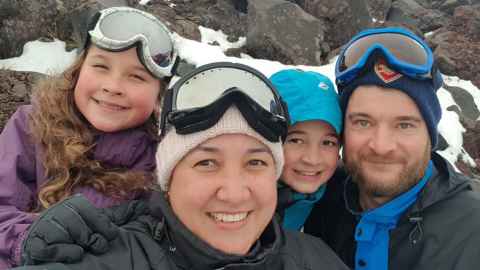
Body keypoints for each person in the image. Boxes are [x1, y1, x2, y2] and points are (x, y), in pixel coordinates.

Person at [14, 62, 349, 270]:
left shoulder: (314, 257)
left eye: (256, 162)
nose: (233, 193)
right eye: (206, 162)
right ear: (168, 178)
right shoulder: (108, 256)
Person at [0, 6, 178, 268]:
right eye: (100, 66)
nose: (112, 86)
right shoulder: (31, 125)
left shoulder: (167, 159)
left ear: (158, 98)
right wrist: (25, 239)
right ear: (78, 70)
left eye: (136, 77)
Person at [304, 27, 480, 270]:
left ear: (430, 134)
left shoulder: (472, 232)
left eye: (404, 125)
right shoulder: (317, 198)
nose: (382, 146)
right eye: (363, 122)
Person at [269, 69, 342, 230]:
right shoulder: (234, 200)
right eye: (296, 140)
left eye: (328, 143)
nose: (312, 159)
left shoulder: (339, 203)